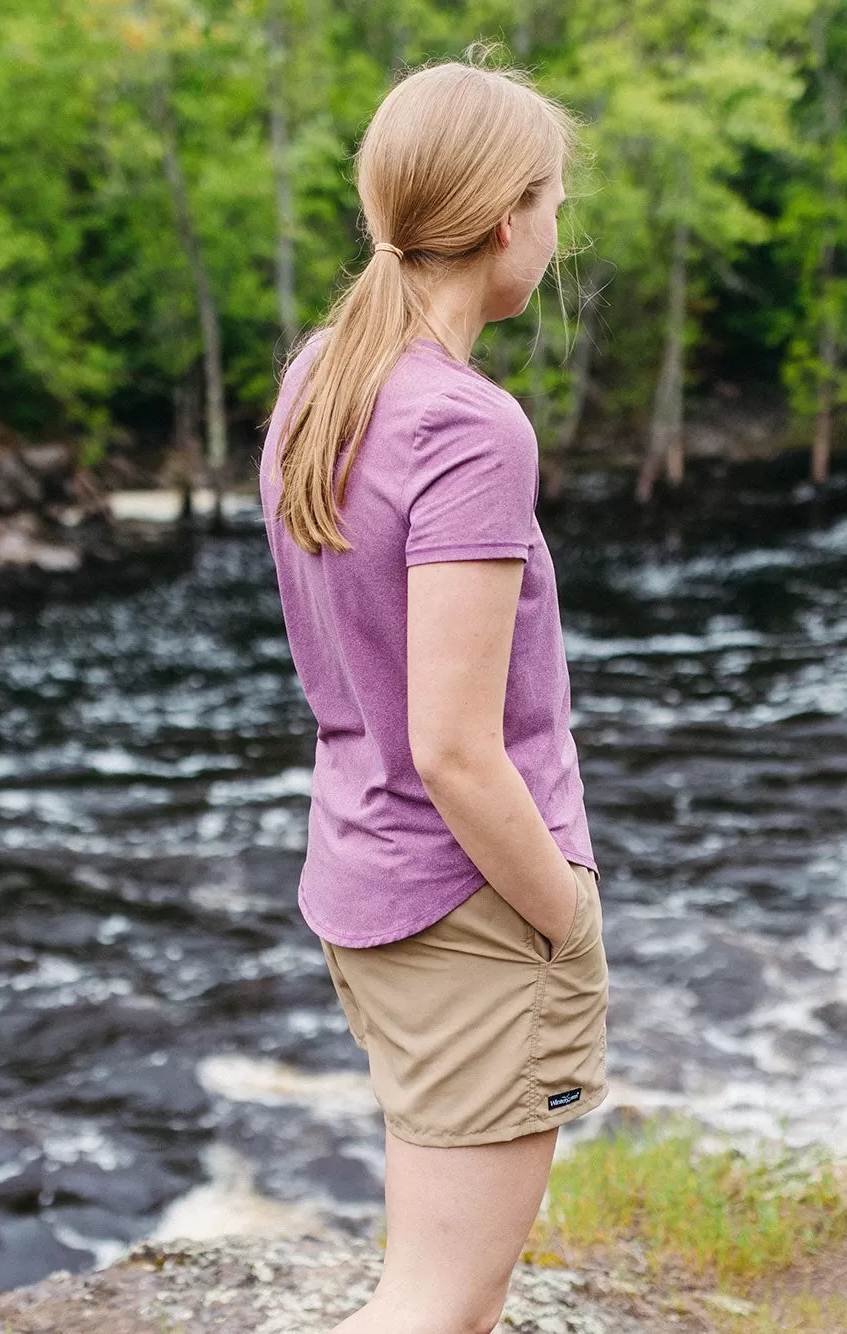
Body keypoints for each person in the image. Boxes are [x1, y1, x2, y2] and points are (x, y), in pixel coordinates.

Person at [256, 54, 609, 1334]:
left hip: (365, 877)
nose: (559, 227)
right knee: (436, 1309)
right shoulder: (467, 426)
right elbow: (456, 749)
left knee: (424, 1280)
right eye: (556, 199)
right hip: (472, 905)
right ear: (510, 218)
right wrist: (561, 915)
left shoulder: (322, 378)